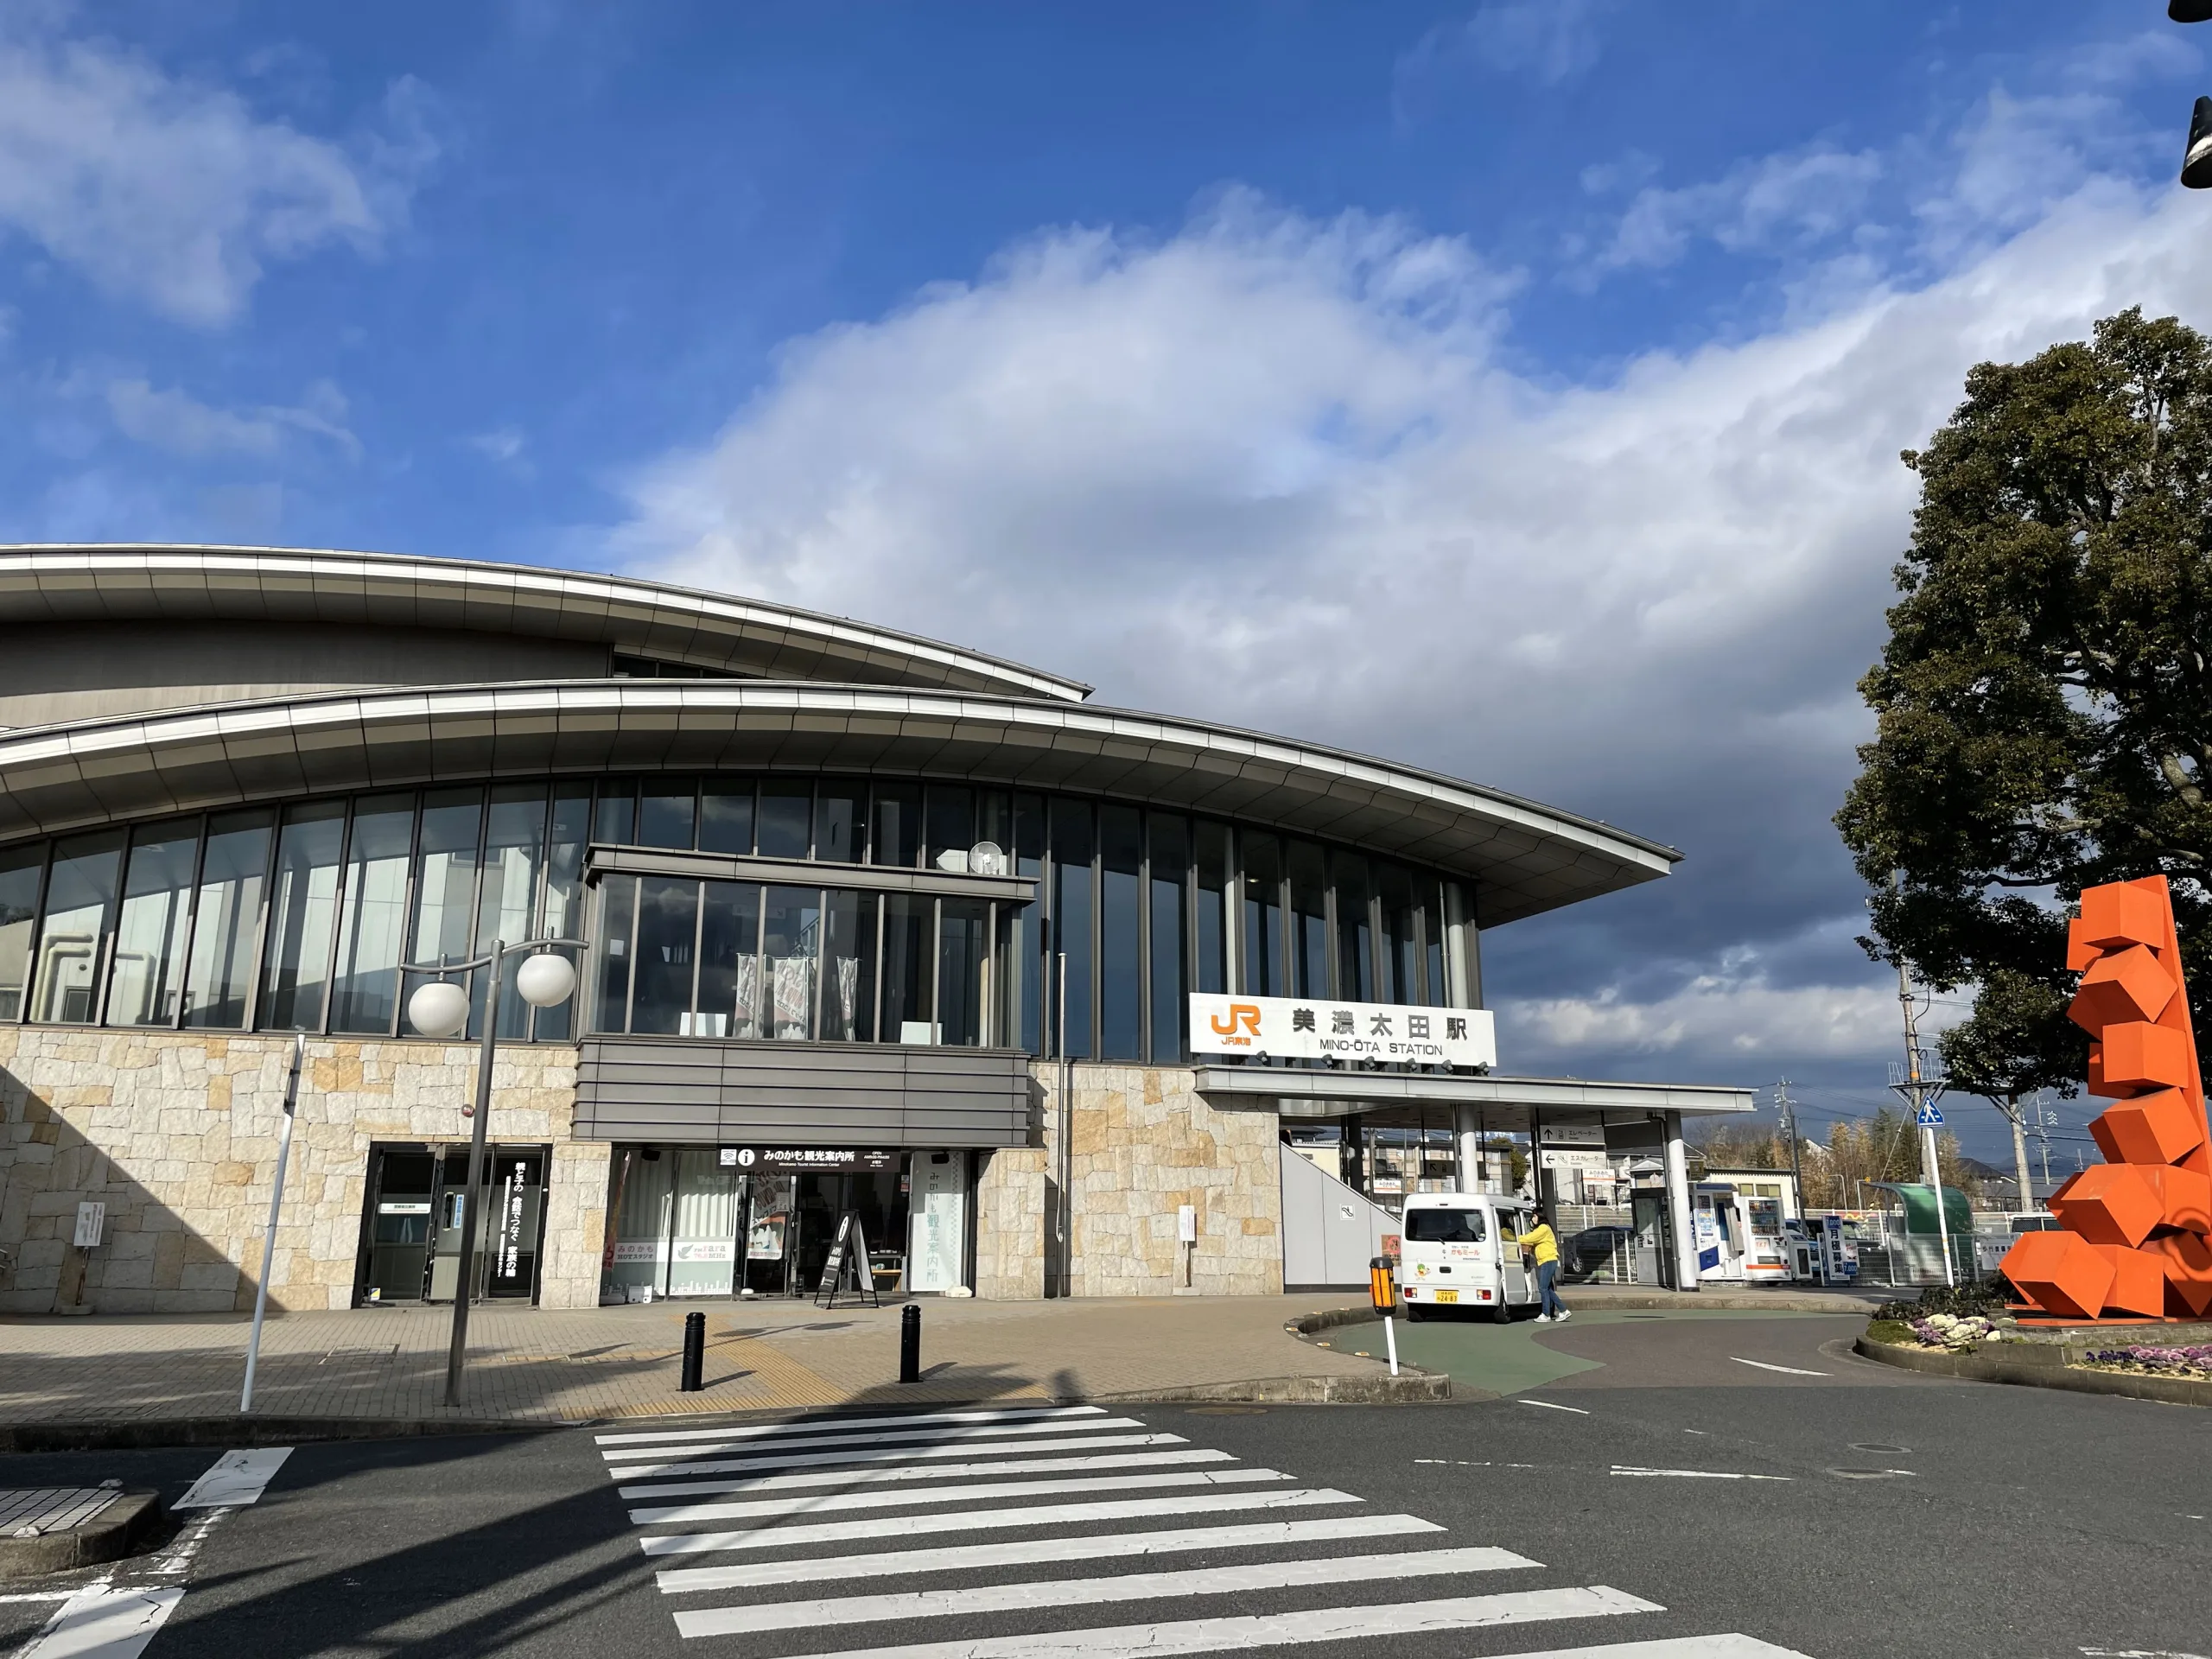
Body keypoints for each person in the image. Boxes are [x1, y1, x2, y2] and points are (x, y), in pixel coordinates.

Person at [1516, 1215, 1570, 1322]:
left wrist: (1516, 1238)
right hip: (1546, 1261)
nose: (1532, 1219)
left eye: (1534, 1216)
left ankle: (1546, 1314)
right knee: (1547, 1288)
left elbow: (1529, 1238)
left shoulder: (1543, 1228)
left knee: (1543, 1288)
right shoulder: (1543, 1229)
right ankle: (1563, 1310)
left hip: (1548, 1260)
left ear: (1540, 1217)